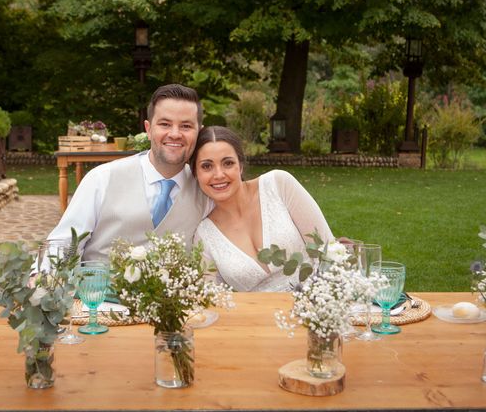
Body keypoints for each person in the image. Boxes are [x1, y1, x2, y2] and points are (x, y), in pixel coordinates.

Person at [47, 84, 209, 261]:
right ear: (148, 129)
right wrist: (45, 281)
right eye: (165, 124)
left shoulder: (206, 189)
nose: (175, 134)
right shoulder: (102, 178)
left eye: (186, 126)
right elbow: (63, 244)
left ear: (199, 133)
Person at [190, 126, 334, 292]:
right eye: (207, 166)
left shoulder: (279, 185)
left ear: (241, 166)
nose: (219, 174)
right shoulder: (204, 235)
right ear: (195, 173)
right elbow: (212, 300)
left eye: (228, 163)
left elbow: (328, 250)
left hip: (319, 305)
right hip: (257, 317)